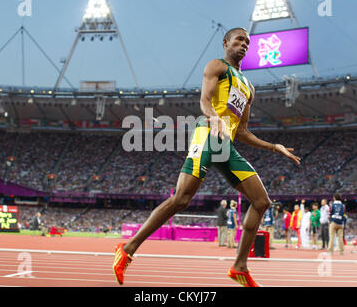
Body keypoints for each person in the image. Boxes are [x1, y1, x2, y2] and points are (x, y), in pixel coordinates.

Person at [112, 27, 301, 287]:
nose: (244, 44)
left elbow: (242, 131)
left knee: (261, 202)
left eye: (247, 41)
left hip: (227, 145)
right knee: (181, 199)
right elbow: (205, 100)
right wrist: (213, 118)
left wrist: (273, 146)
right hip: (208, 134)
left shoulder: (248, 88)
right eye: (239, 40)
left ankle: (240, 267)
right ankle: (128, 249)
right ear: (226, 43)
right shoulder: (217, 66)